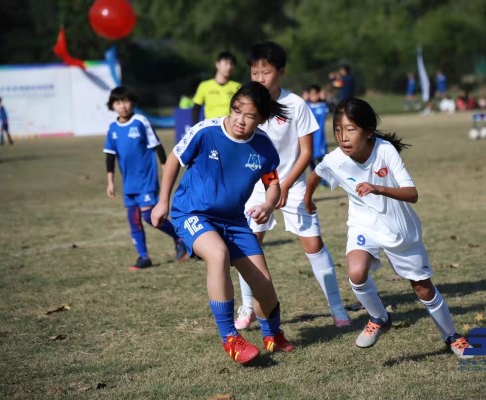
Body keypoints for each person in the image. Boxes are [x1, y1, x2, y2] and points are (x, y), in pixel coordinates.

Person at [303, 98, 473, 358]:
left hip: (398, 228)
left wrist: (378, 187)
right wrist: (308, 199)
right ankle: (379, 317)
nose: (343, 137)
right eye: (338, 129)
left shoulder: (384, 151)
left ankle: (452, 336)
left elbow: (412, 193)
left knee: (422, 288)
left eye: (350, 129)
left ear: (368, 131)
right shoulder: (335, 159)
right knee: (356, 273)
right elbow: (317, 172)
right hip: (363, 223)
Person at [151, 82, 295, 365]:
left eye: (250, 115)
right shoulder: (207, 131)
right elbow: (173, 160)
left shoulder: (264, 147)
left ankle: (273, 336)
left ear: (262, 119)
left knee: (262, 282)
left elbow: (273, 183)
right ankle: (230, 338)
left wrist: (268, 204)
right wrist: (163, 201)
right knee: (218, 254)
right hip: (192, 213)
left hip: (234, 220)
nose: (240, 119)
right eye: (236, 111)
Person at [235, 42, 350, 330]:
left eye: (267, 71)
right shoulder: (246, 105)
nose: (260, 77)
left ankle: (337, 309)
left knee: (314, 245)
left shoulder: (296, 104)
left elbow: (307, 152)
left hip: (293, 184)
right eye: (255, 72)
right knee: (249, 247)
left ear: (281, 72)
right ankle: (247, 307)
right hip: (255, 187)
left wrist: (285, 185)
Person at [103, 86, 186, 271]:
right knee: (133, 219)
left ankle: (179, 238)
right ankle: (143, 257)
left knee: (149, 216)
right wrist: (110, 181)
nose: (122, 106)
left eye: (125, 101)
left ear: (132, 102)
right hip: (128, 184)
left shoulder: (140, 121)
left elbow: (157, 146)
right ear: (112, 106)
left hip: (146, 180)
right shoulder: (113, 128)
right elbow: (110, 156)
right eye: (118, 102)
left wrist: (165, 168)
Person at [192, 51, 241, 124]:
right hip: (210, 125)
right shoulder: (204, 86)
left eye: (231, 64)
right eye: (226, 63)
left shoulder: (237, 86)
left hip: (230, 127)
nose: (229, 67)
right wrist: (195, 126)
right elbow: (196, 108)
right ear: (217, 64)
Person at [305, 84, 328, 170]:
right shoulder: (306, 106)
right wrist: (304, 99)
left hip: (320, 137)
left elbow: (332, 109)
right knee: (310, 157)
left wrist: (325, 99)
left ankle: (324, 179)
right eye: (311, 94)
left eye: (315, 94)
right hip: (310, 137)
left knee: (322, 158)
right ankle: (314, 174)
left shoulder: (323, 106)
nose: (314, 97)